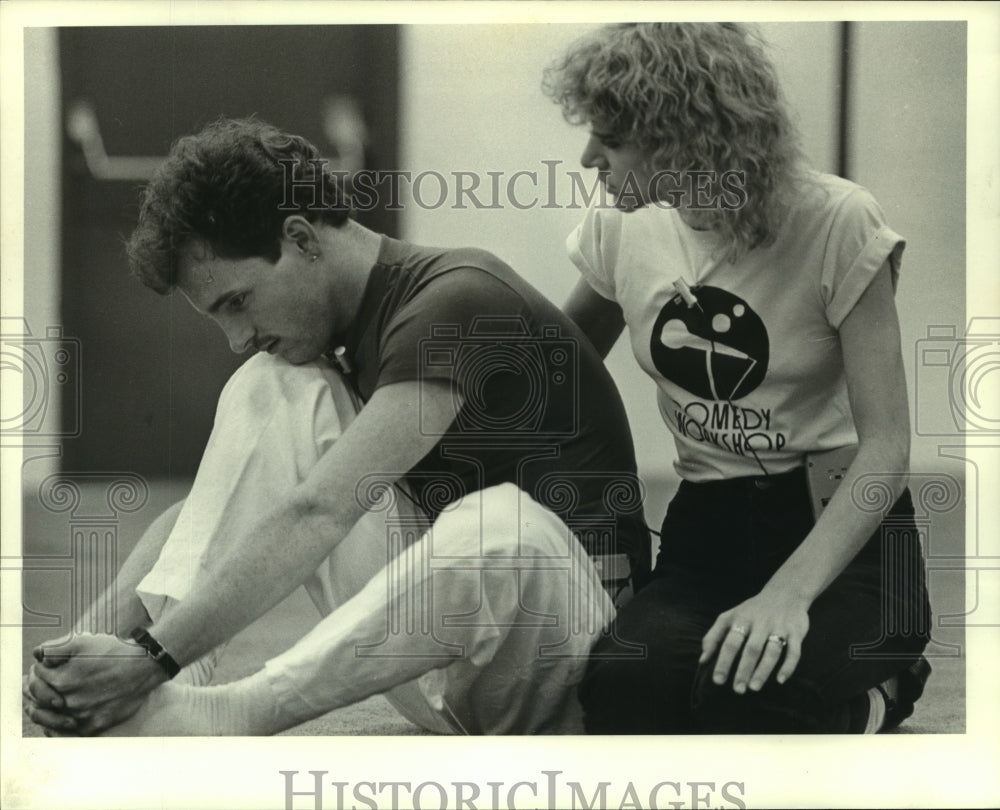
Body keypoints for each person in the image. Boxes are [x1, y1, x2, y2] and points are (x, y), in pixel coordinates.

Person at [22, 117, 650, 736]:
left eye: (238, 301)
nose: (237, 337)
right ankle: (141, 690)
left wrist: (153, 653)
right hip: (457, 660)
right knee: (270, 390)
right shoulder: (337, 344)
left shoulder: (457, 299)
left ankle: (226, 709)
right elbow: (210, 518)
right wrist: (73, 659)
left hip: (565, 655)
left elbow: (320, 511)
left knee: (498, 526)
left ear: (301, 238)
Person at [543, 22, 931, 733]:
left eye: (612, 139)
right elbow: (556, 368)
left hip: (836, 525)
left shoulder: (838, 220)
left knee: (752, 706)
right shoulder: (623, 224)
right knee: (625, 694)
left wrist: (788, 595)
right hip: (709, 525)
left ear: (686, 136)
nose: (588, 157)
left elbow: (887, 448)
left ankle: (887, 683)